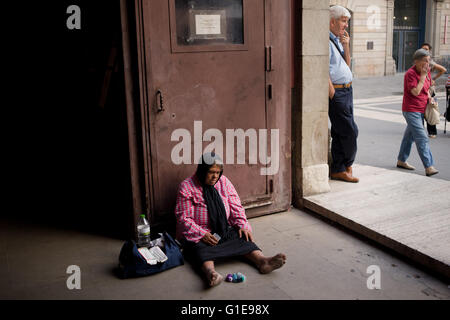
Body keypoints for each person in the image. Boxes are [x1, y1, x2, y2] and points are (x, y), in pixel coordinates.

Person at [175, 152, 287, 287]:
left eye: (218, 172)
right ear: (202, 170)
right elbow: (183, 218)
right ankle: (211, 273)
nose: (215, 176)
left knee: (242, 236)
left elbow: (236, 207)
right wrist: (202, 234)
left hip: (223, 228)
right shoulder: (187, 187)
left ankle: (263, 262)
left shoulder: (223, 182)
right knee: (198, 247)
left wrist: (242, 225)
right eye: (211, 172)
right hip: (201, 233)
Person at [328, 5, 359, 183]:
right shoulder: (325, 41)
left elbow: (346, 65)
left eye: (347, 21)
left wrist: (346, 46)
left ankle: (338, 169)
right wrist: (333, 95)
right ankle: (348, 164)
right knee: (351, 131)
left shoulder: (337, 39)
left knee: (340, 132)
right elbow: (322, 70)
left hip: (347, 90)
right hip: (338, 92)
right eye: (343, 21)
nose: (346, 25)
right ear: (332, 21)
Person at [396, 49, 439, 177]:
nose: (427, 64)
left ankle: (401, 160)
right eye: (425, 61)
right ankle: (429, 166)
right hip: (411, 110)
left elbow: (427, 89)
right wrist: (423, 77)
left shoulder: (427, 72)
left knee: (409, 137)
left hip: (422, 109)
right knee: (422, 137)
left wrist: (431, 98)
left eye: (429, 60)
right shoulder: (410, 74)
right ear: (416, 61)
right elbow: (415, 92)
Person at [420, 43, 447, 138]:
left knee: (431, 108)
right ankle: (420, 131)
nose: (425, 50)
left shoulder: (429, 61)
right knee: (420, 109)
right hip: (420, 87)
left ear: (429, 51)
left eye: (426, 49)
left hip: (429, 89)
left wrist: (434, 79)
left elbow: (443, 69)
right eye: (423, 49)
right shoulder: (419, 60)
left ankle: (432, 132)